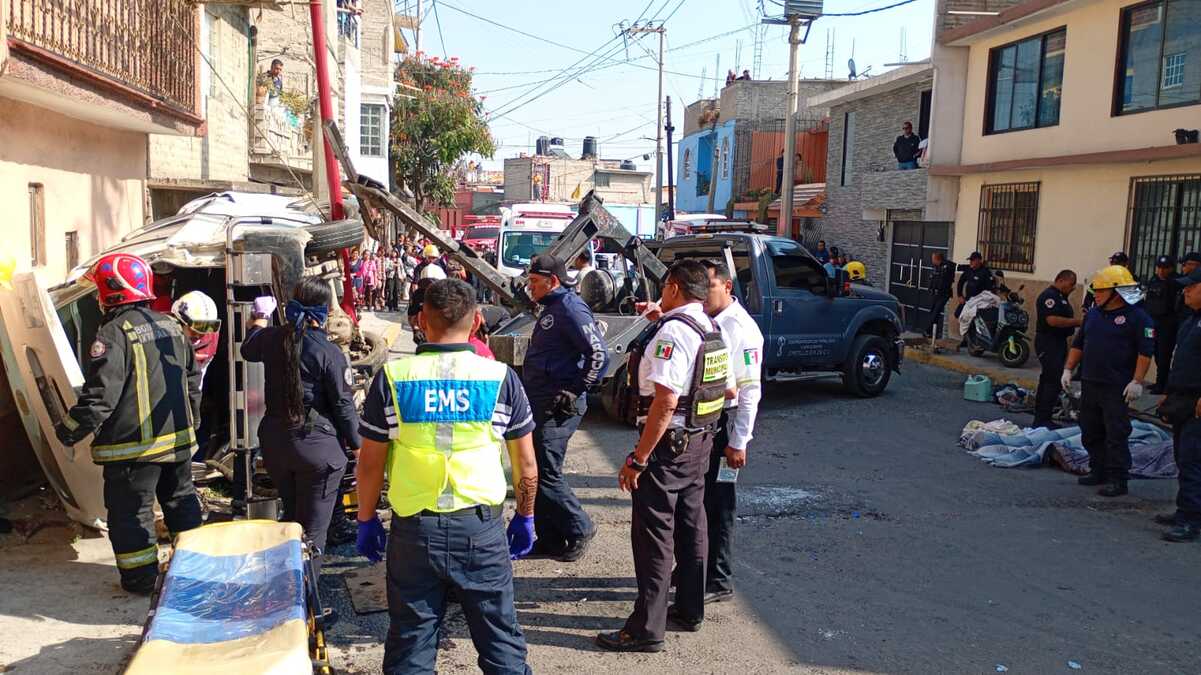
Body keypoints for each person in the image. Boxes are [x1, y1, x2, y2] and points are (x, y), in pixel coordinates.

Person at [354, 278, 538, 674]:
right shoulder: (500, 379)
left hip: (414, 532)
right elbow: (525, 463)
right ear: (475, 323)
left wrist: (366, 519)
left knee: (411, 642)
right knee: (500, 639)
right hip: (481, 531)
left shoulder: (393, 379)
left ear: (421, 321)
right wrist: (526, 515)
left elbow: (369, 463)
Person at [597, 260, 734, 653]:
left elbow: (665, 401)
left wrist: (639, 458)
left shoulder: (675, 332)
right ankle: (689, 609)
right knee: (693, 527)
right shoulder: (711, 327)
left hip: (668, 447)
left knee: (654, 536)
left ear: (673, 287)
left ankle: (646, 628)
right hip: (699, 441)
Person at [53, 253, 202, 595]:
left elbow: (101, 396)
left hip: (132, 451)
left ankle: (141, 579)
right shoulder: (171, 325)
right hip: (178, 442)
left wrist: (65, 431)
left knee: (131, 515)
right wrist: (191, 427)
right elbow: (192, 384)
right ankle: (195, 569)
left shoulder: (113, 334)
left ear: (111, 291)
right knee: (182, 504)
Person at [242, 279, 360, 570]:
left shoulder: (272, 339)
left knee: (291, 522)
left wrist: (259, 318)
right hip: (317, 452)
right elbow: (344, 406)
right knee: (312, 534)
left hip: (276, 446)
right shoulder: (329, 353)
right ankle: (311, 609)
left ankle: (284, 593)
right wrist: (359, 447)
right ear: (325, 312)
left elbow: (248, 348)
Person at [521, 254, 608, 561]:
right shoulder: (552, 307)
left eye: (534, 282)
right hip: (539, 400)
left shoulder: (570, 308)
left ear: (552, 281)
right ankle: (549, 538)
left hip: (558, 405)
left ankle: (579, 527)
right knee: (537, 469)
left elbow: (599, 355)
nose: (530, 288)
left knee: (547, 470)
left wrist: (575, 390)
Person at [694, 260, 763, 604]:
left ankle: (718, 579)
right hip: (706, 423)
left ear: (726, 287)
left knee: (720, 504)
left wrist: (738, 443)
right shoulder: (707, 321)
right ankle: (695, 567)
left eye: (708, 287)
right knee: (698, 502)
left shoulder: (742, 329)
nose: (703, 294)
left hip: (727, 427)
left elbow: (749, 392)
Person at [1061, 265, 1154, 497]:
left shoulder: (1138, 317)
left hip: (1117, 385)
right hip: (1091, 381)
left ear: (1116, 292)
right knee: (1090, 429)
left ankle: (1118, 478)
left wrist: (1137, 381)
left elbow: (1145, 352)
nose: (1096, 295)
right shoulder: (1093, 314)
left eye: (1100, 291)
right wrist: (1068, 369)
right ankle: (1098, 469)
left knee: (1116, 433)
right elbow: (1079, 344)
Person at [1156, 265, 1201, 542]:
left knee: (1192, 459)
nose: (1185, 291)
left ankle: (1190, 520)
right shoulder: (1191, 319)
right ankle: (1185, 509)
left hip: (1197, 402)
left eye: (1191, 287)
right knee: (1182, 458)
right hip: (1181, 398)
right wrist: (1168, 392)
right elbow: (1181, 360)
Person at [1032, 270, 1082, 429]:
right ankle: (1042, 419)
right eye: (1071, 284)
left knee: (1050, 379)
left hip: (1058, 342)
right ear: (1061, 280)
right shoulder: (1049, 296)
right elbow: (1052, 320)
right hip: (1048, 342)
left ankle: (1042, 417)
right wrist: (1077, 322)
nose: (1073, 287)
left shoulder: (1061, 297)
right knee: (1052, 380)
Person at [1145, 256, 1181, 394]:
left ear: (1171, 268)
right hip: (1152, 323)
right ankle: (1160, 382)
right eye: (1159, 267)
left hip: (1167, 324)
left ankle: (1162, 384)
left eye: (1164, 268)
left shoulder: (1176, 282)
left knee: (1164, 354)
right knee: (1153, 350)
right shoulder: (1153, 281)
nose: (1161, 270)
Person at [956, 252, 994, 322]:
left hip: (979, 302)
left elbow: (990, 290)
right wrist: (960, 295)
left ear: (979, 260)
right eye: (970, 260)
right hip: (968, 300)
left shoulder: (985, 272)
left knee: (975, 320)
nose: (971, 262)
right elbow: (960, 282)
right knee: (958, 314)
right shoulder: (969, 270)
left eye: (972, 260)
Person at [925, 252, 956, 339]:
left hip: (943, 294)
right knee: (933, 313)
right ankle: (931, 333)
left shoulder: (947, 267)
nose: (932, 260)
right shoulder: (936, 267)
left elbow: (946, 280)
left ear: (937, 259)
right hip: (935, 293)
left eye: (933, 258)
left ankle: (929, 331)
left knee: (936, 312)